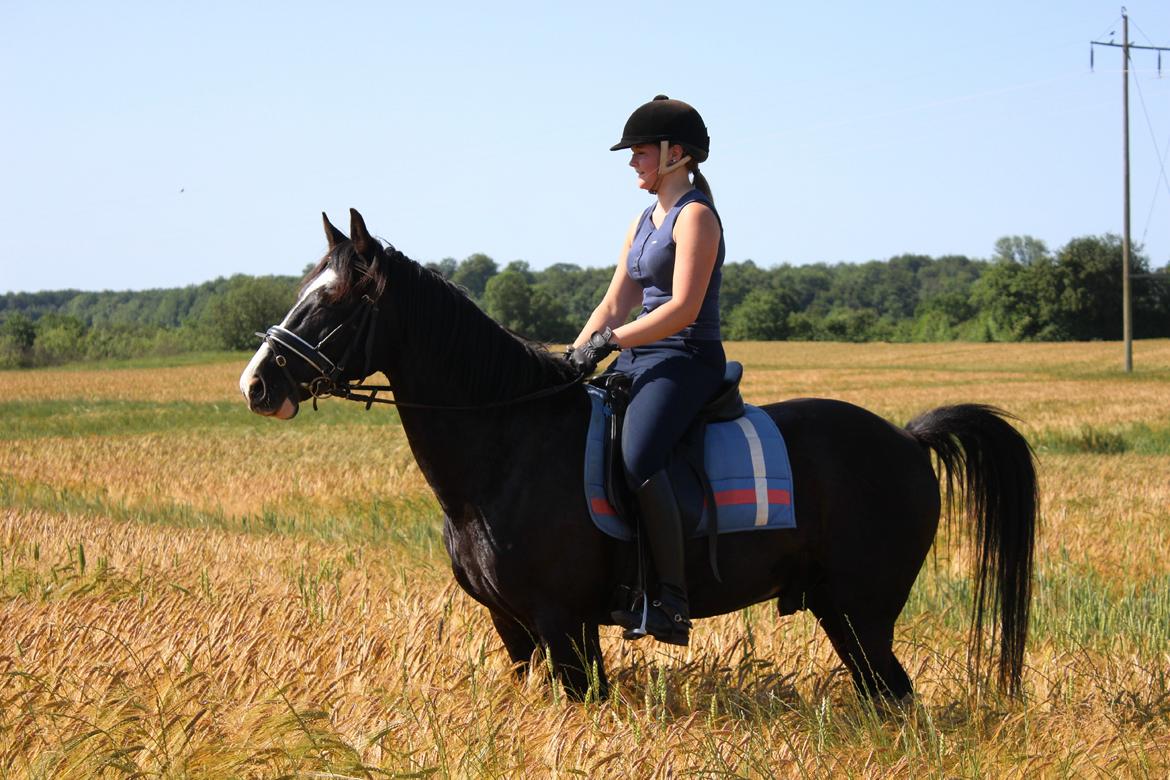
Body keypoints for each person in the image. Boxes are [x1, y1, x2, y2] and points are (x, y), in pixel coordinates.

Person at [567, 95, 726, 646]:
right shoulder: (643, 220)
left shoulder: (697, 216)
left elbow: (681, 308)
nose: (632, 163)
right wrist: (573, 356)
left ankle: (672, 601)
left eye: (639, 152)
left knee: (639, 457)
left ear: (675, 154)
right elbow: (614, 305)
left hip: (687, 356)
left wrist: (609, 343)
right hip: (641, 353)